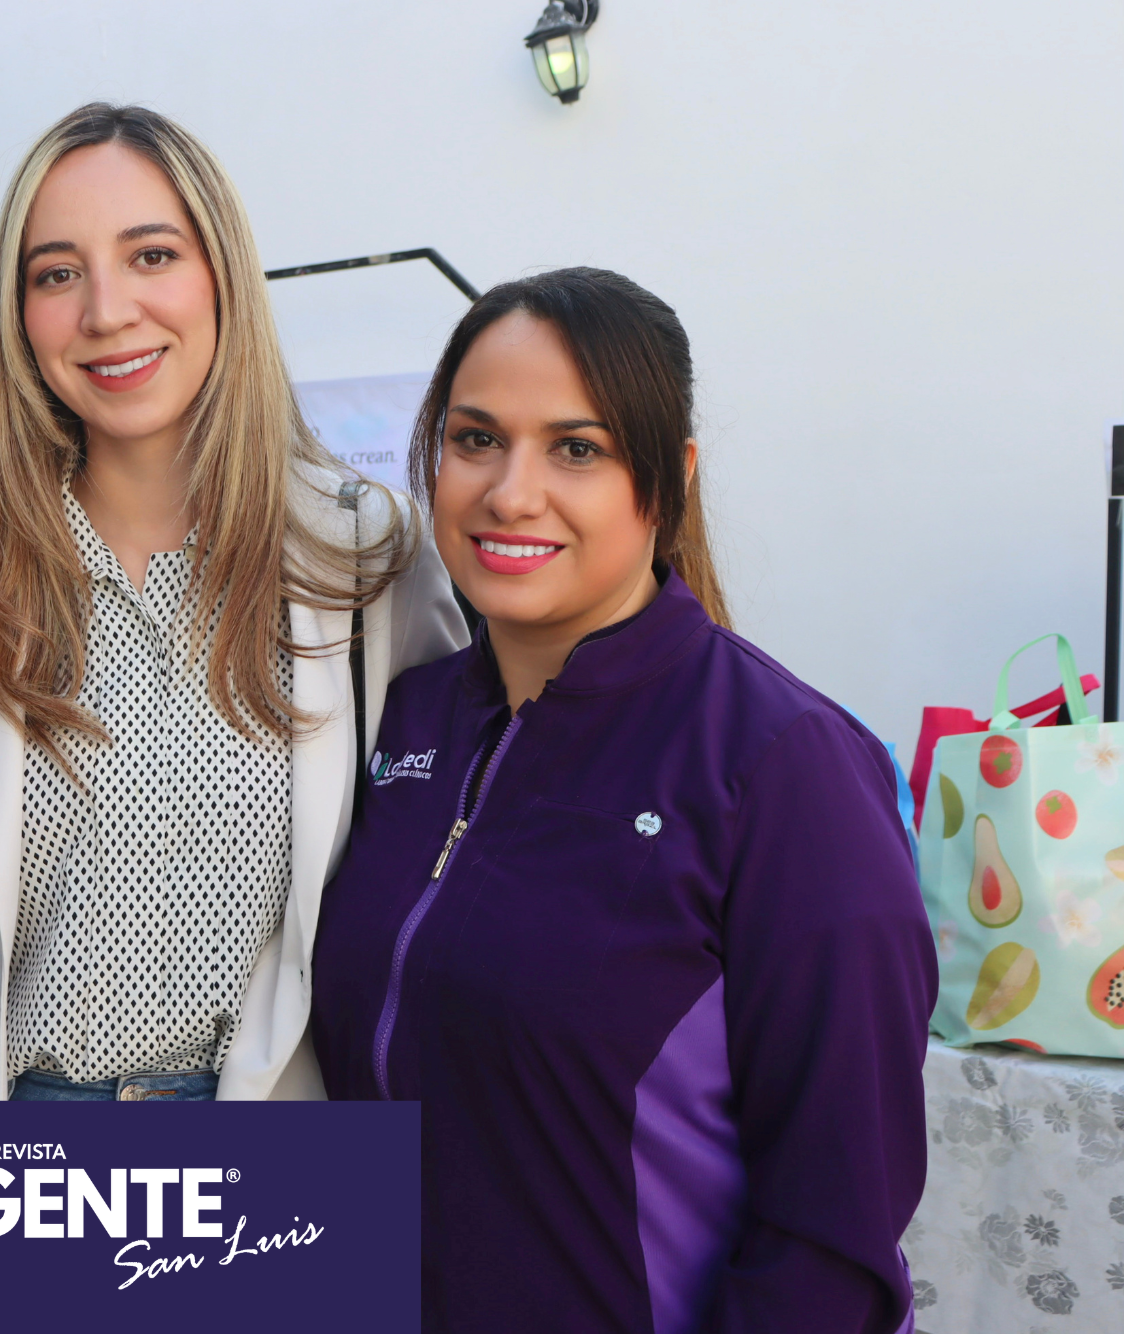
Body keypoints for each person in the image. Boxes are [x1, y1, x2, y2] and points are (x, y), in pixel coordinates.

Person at [310, 268, 934, 1331]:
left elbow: (834, 1239)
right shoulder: (403, 717)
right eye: (475, 439)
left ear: (669, 476)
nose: (511, 493)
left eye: (576, 449)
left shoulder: (788, 768)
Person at [0, 102, 463, 1104]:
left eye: (151, 255)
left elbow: (438, 863)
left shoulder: (365, 552)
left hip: (277, 1131)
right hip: (12, 1139)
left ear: (222, 276)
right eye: (56, 273)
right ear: (18, 314)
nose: (105, 310)